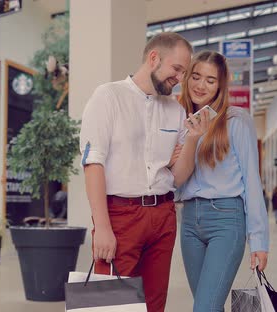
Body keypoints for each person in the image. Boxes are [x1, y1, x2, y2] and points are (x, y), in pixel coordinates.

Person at [80, 32, 193, 312]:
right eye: (176, 69)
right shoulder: (108, 96)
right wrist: (102, 227)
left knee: (154, 304)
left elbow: (178, 177)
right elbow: (93, 163)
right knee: (109, 306)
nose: (179, 78)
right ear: (154, 58)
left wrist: (191, 140)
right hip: (120, 217)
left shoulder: (175, 111)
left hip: (164, 215)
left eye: (183, 72)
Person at [175, 51, 270, 311]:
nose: (200, 85)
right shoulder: (178, 121)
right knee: (209, 306)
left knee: (203, 308)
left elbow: (252, 181)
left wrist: (259, 241)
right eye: (196, 77)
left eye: (210, 80)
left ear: (220, 85)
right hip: (189, 222)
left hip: (226, 220)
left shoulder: (236, 120)